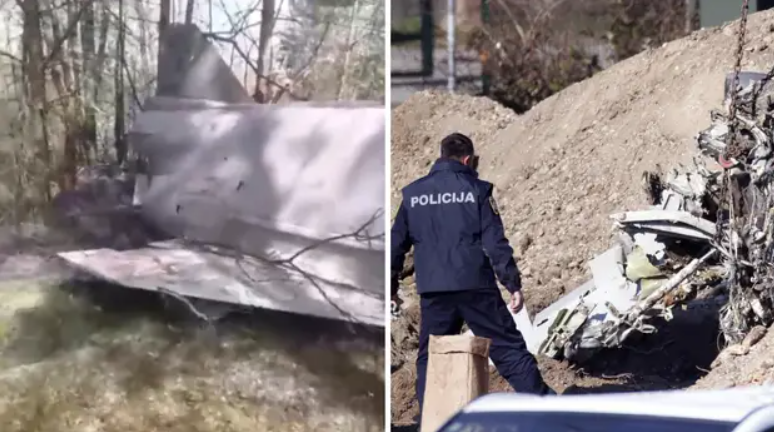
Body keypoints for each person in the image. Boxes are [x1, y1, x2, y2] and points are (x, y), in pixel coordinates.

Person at [391, 132, 555, 417]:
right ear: (468, 159)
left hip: (433, 290)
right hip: (475, 285)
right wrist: (512, 283)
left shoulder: (412, 195)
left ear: (441, 156)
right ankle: (549, 411)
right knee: (507, 349)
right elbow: (495, 243)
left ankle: (431, 419)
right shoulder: (477, 190)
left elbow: (395, 247)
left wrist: (389, 288)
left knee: (432, 357)